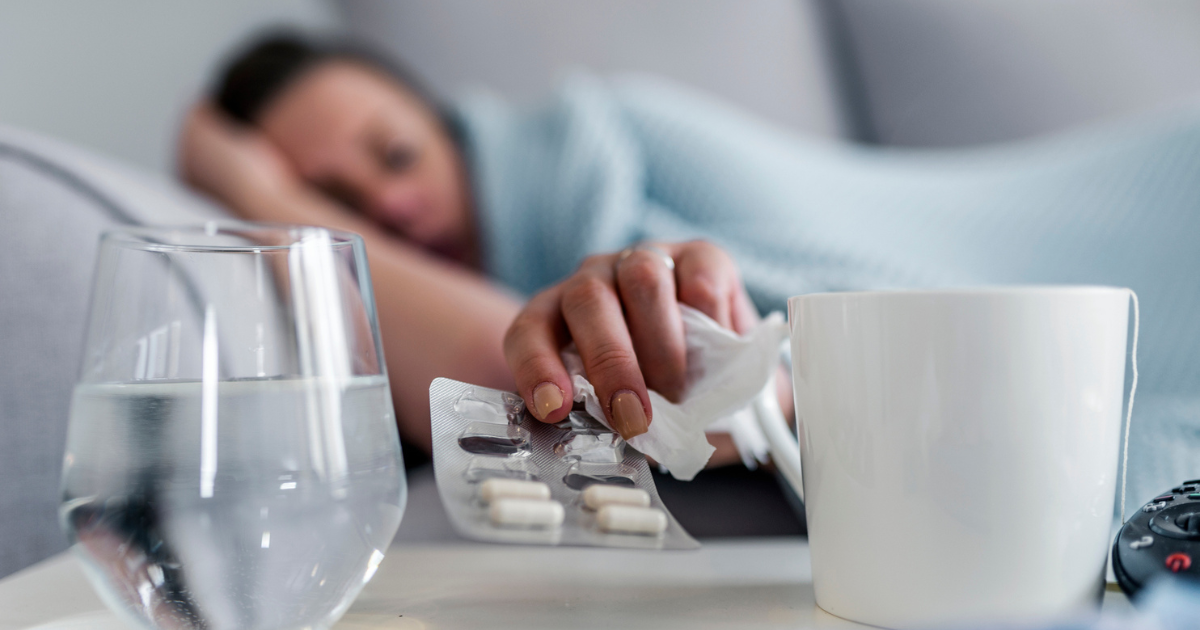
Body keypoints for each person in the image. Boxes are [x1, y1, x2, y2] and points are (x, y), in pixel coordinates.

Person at [181, 33, 1200, 512]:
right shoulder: (508, 299)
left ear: (453, 130)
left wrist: (272, 195)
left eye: (395, 157)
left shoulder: (612, 146)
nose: (389, 207)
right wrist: (266, 211)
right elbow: (507, 379)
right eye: (342, 208)